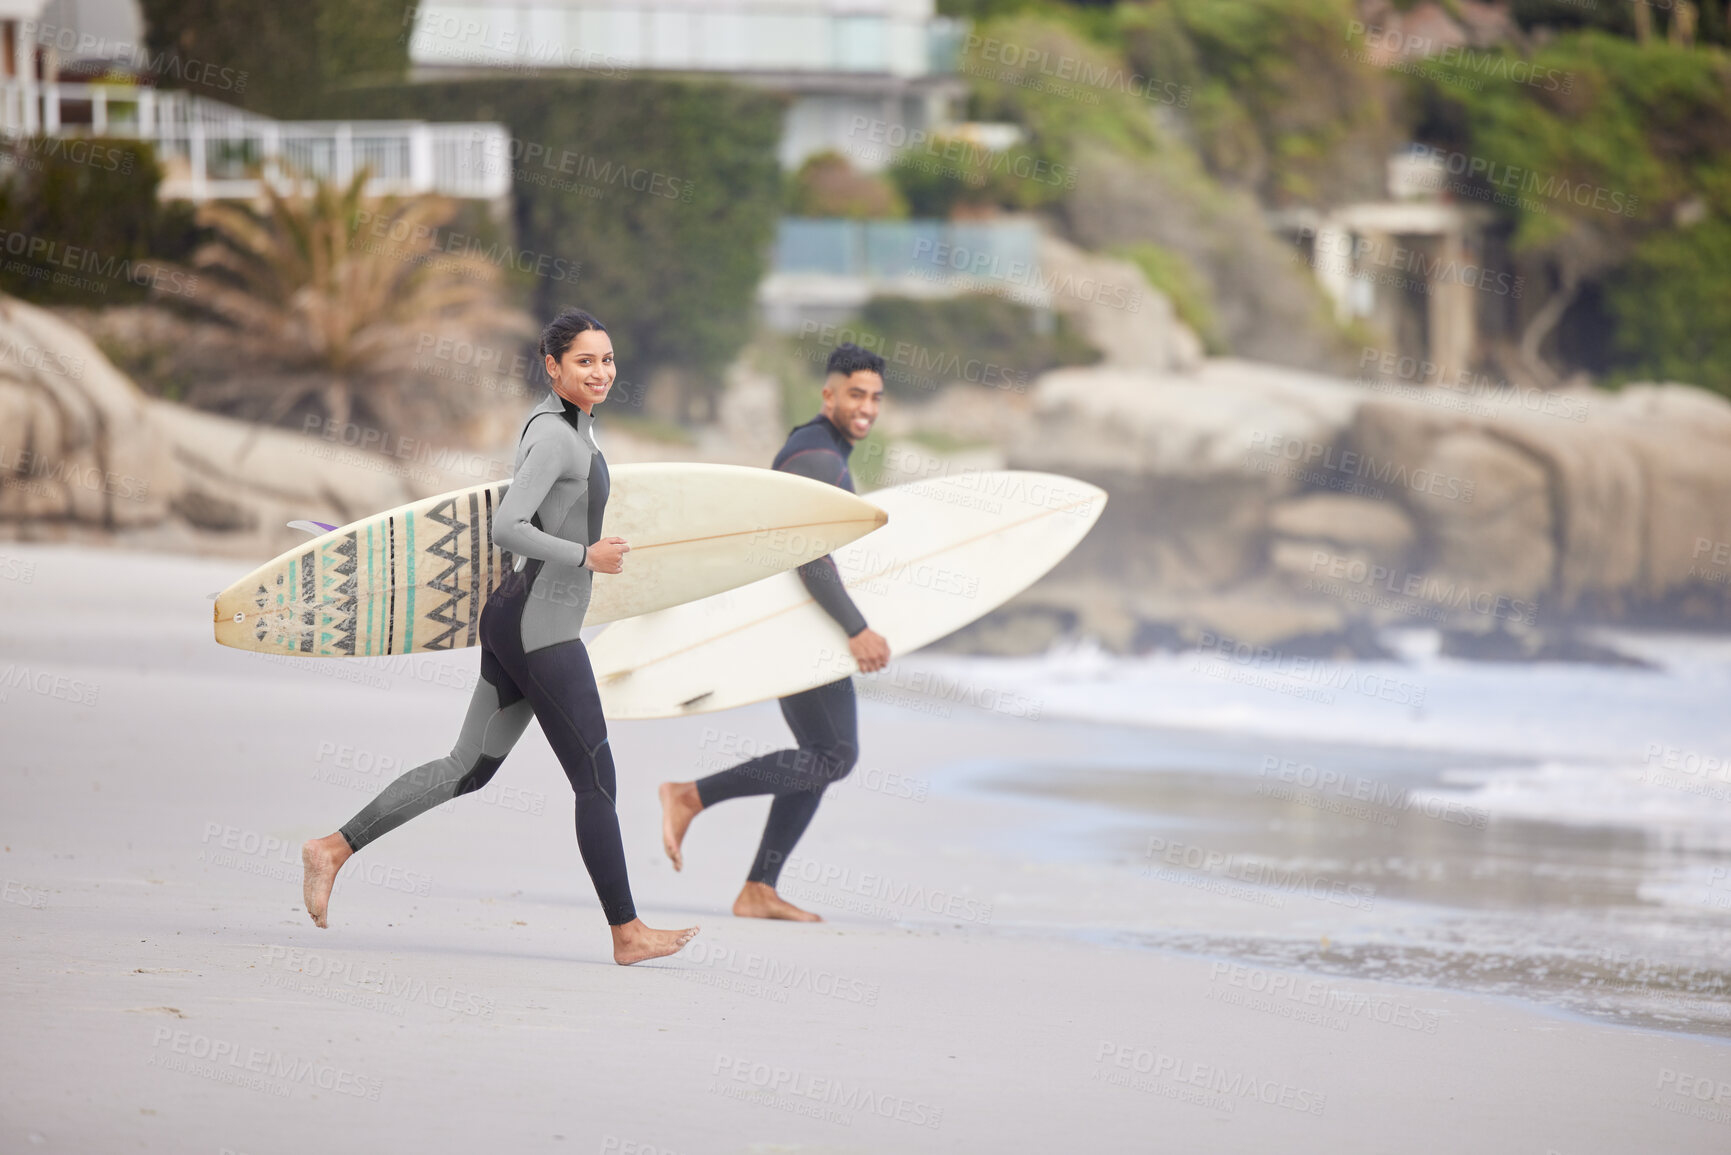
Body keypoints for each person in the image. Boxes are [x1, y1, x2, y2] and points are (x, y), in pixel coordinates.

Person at [300, 308, 699, 965]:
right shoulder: (555, 438)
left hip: (519, 618)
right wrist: (585, 557)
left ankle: (331, 848)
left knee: (467, 768)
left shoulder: (565, 426)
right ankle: (626, 932)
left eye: (606, 359)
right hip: (540, 628)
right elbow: (507, 526)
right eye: (584, 361)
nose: (600, 371)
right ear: (553, 365)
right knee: (595, 781)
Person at [655, 343, 891, 921]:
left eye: (876, 397)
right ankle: (689, 795)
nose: (866, 407)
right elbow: (807, 556)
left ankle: (759, 889)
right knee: (834, 754)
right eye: (855, 394)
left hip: (800, 624)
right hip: (800, 625)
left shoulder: (824, 450)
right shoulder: (817, 458)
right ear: (828, 395)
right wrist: (856, 629)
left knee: (825, 753)